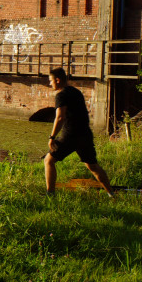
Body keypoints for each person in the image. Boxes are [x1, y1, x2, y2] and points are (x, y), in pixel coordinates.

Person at [44, 67, 114, 196]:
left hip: (70, 135)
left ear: (57, 80)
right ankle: (111, 194)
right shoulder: (76, 92)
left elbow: (60, 117)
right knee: (93, 166)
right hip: (85, 134)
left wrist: (52, 137)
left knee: (49, 160)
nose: (50, 83)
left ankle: (50, 193)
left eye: (51, 81)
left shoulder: (61, 95)